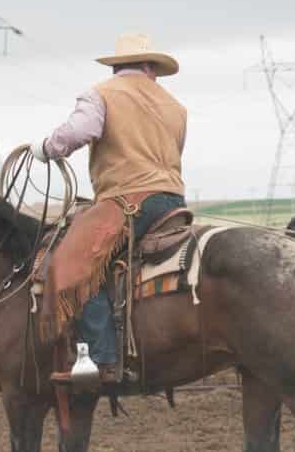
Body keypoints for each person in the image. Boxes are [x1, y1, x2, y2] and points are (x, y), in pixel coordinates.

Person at [40, 32, 189, 394]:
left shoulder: (102, 93)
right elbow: (176, 150)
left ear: (116, 66)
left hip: (127, 201)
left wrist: (46, 148)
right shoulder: (175, 106)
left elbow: (81, 131)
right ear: (150, 67)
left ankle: (100, 358)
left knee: (73, 262)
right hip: (173, 201)